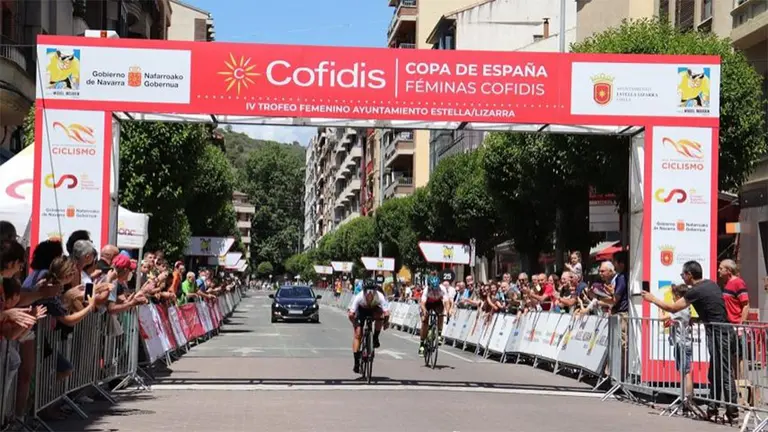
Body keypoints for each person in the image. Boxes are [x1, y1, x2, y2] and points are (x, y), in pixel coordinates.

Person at [642, 260, 738, 421]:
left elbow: (673, 308)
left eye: (683, 275)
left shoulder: (697, 290)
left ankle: (733, 412)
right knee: (714, 371)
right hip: (720, 331)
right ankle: (713, 408)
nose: (682, 278)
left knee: (724, 372)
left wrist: (652, 299)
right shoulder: (711, 284)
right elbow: (712, 308)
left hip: (719, 333)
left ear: (689, 275)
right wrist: (698, 319)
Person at [347, 279, 390, 373]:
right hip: (361, 310)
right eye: (367, 290)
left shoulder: (380, 296)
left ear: (376, 290)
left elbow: (386, 313)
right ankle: (356, 362)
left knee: (381, 316)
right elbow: (350, 314)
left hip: (373, 309)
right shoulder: (359, 297)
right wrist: (355, 324)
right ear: (364, 290)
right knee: (358, 334)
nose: (370, 293)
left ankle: (375, 337)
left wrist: (386, 323)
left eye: (372, 290)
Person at [418, 275, 450, 356]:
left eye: (436, 287)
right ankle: (422, 344)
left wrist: (448, 310)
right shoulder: (426, 290)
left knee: (441, 314)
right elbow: (422, 303)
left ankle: (439, 334)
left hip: (437, 303)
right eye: (433, 287)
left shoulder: (442, 288)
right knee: (424, 320)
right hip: (427, 303)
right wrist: (424, 310)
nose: (435, 289)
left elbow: (446, 302)